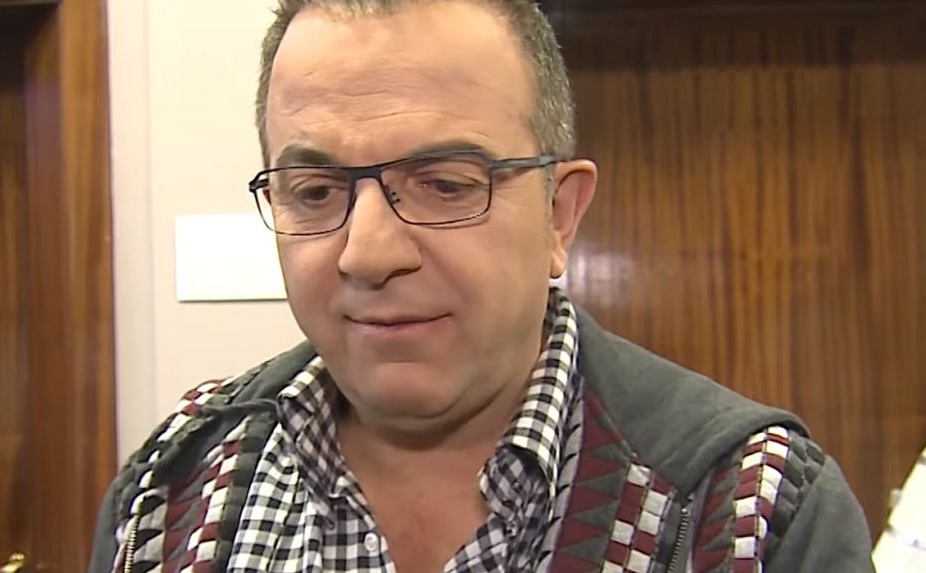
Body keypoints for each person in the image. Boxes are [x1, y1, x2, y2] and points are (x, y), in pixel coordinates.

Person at [89, 1, 876, 571]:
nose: (367, 252)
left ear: (559, 214)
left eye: (445, 184)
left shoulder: (747, 511)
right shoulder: (174, 488)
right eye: (316, 192)